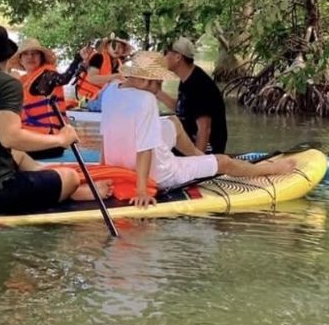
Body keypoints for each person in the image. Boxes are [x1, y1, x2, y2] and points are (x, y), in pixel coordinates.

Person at [0, 25, 108, 214]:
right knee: (71, 178)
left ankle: (54, 183)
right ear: (8, 56)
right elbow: (10, 137)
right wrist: (61, 139)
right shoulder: (8, 83)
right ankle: (72, 191)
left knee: (18, 154)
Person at [100, 51, 295, 208]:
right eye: (158, 83)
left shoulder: (111, 90)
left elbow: (105, 135)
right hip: (159, 173)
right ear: (146, 81)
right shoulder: (145, 99)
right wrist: (141, 190)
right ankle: (268, 169)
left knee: (173, 122)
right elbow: (144, 149)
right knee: (224, 161)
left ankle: (197, 156)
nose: (159, 88)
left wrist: (103, 171)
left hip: (119, 165)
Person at [155, 37, 229, 153]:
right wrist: (157, 92)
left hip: (206, 148)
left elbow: (204, 129)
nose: (163, 57)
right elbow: (182, 109)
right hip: (188, 140)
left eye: (165, 53)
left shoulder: (200, 85)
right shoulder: (186, 79)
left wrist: (197, 163)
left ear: (178, 57)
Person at [6, 38, 81, 131]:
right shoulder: (23, 81)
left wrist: (78, 59)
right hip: (30, 135)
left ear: (41, 58)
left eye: (35, 53)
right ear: (21, 60)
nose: (30, 57)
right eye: (25, 54)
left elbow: (64, 79)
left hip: (50, 137)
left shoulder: (47, 75)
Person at [75, 33, 133, 110]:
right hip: (89, 100)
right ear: (107, 46)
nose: (117, 49)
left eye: (121, 47)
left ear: (124, 50)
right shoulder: (98, 57)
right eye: (114, 45)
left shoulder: (118, 63)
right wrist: (115, 76)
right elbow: (92, 78)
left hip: (102, 99)